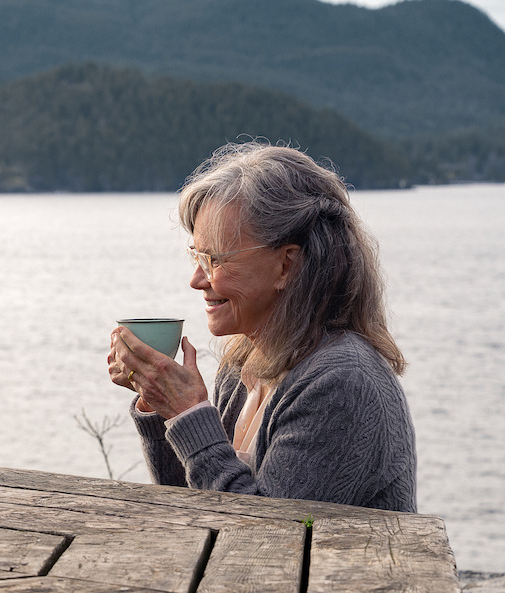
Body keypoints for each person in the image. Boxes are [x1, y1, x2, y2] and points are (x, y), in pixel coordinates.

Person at [107, 142, 416, 511]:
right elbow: (195, 504)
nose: (196, 280)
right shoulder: (243, 365)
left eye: (214, 258)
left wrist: (187, 413)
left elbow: (268, 536)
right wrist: (161, 404)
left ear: (286, 265)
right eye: (196, 256)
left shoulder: (341, 382)